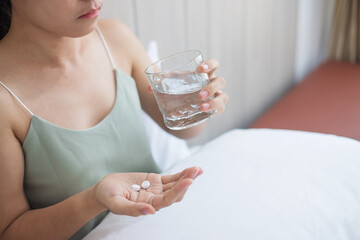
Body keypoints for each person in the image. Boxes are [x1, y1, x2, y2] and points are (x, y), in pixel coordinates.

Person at [0, 0, 228, 239]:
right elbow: (8, 232)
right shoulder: (5, 97)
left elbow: (185, 131)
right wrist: (93, 199)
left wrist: (200, 102)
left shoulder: (115, 39)